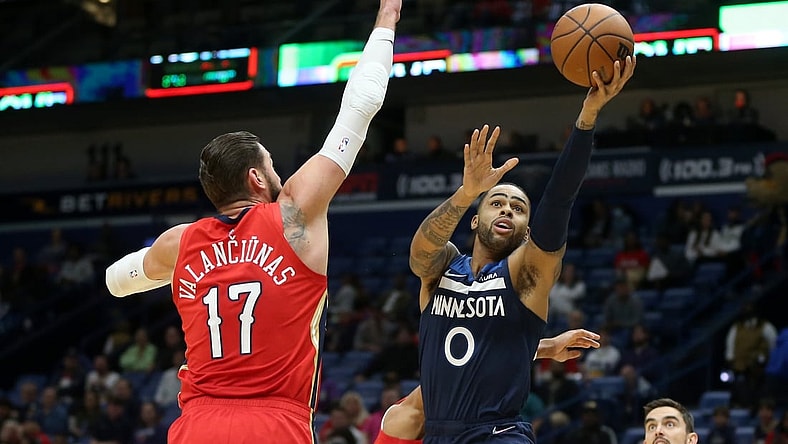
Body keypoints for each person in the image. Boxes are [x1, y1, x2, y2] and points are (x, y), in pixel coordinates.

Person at [103, 1, 399, 442]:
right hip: (273, 422)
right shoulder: (294, 213)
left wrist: (177, 272)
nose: (280, 175)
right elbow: (363, 103)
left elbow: (114, 281)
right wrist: (387, 18)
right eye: (273, 166)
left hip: (196, 426)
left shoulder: (180, 244)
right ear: (257, 178)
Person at [408, 55, 635, 443]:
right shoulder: (444, 267)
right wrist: (466, 193)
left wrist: (587, 118)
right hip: (439, 434)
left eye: (518, 208)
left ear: (527, 231)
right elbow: (420, 253)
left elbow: (559, 199)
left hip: (498, 433)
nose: (507, 211)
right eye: (496, 203)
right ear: (475, 220)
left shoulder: (525, 276)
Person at [373, 328, 602, 443]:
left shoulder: (411, 416)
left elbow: (468, 369)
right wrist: (547, 348)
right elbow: (463, 372)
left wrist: (547, 348)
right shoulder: (409, 420)